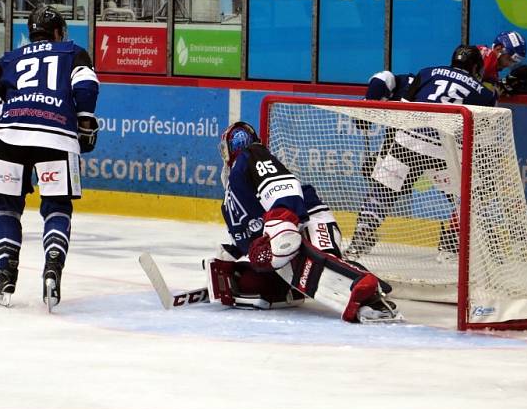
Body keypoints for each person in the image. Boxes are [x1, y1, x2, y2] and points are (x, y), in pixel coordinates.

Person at [207, 121, 399, 323]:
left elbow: (280, 184)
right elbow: (251, 239)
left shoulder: (251, 155)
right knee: (252, 282)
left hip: (308, 220)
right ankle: (295, 288)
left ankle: (370, 296)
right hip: (281, 238)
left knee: (317, 264)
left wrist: (282, 220)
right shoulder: (229, 198)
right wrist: (237, 255)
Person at [0, 5, 100, 308]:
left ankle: (6, 274)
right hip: (56, 138)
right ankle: (52, 268)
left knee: (7, 208)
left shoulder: (7, 59)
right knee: (57, 206)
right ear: (58, 32)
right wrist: (84, 119)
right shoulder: (73, 52)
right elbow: (86, 86)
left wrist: (0, 133)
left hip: (10, 138)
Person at [345, 45, 496, 260]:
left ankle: (359, 240)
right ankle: (452, 246)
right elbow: (480, 138)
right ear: (474, 67)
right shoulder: (484, 93)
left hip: (406, 142)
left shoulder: (427, 73)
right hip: (443, 151)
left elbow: (402, 114)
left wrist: (383, 156)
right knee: (464, 199)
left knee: (382, 193)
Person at [478, 30, 527, 97]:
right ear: (498, 49)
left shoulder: (492, 73)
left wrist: (500, 85)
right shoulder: (489, 58)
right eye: (509, 59)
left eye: (513, 62)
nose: (508, 65)